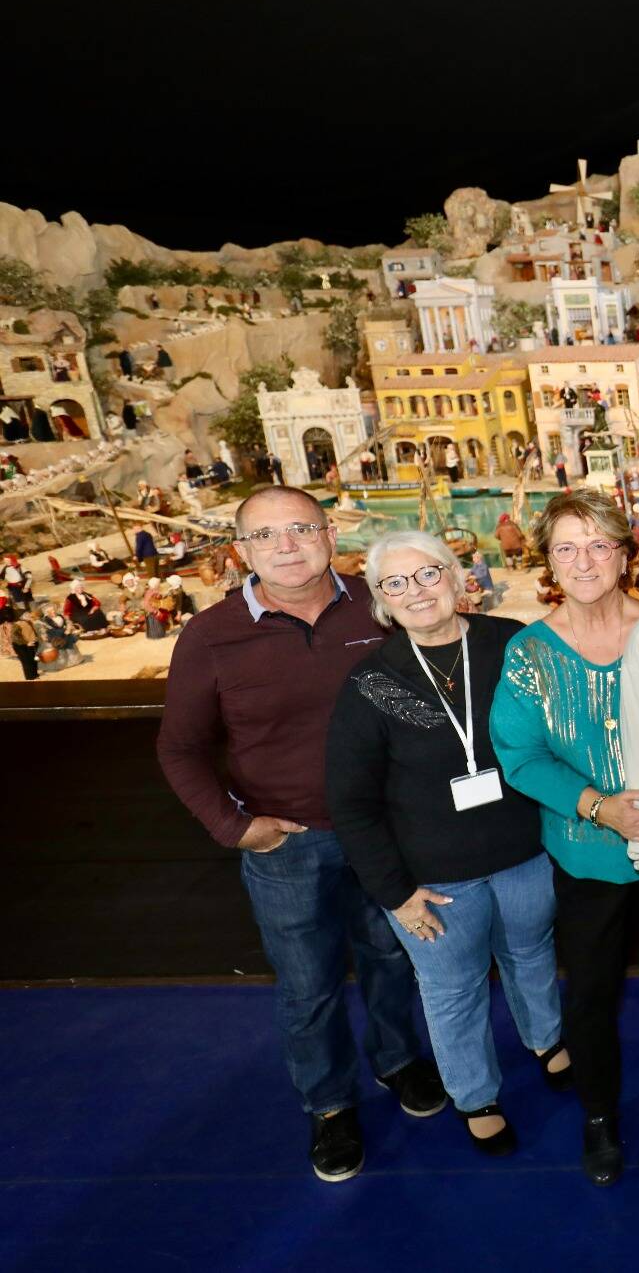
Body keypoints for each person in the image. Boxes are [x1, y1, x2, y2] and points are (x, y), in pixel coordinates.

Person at [157, 486, 443, 1183]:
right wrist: (235, 826)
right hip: (289, 845)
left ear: (328, 532)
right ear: (241, 551)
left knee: (393, 959)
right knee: (308, 984)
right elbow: (180, 749)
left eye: (299, 528)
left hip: (386, 834)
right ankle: (328, 1104)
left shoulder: (379, 607)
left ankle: (399, 1060)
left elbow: (429, 698)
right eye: (265, 535)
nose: (285, 545)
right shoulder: (211, 635)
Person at [326, 531, 571, 1158]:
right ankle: (475, 1095)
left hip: (523, 851)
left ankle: (545, 1039)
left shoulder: (511, 644)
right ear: (380, 601)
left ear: (460, 576)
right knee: (452, 989)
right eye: (395, 583)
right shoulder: (371, 682)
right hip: (432, 879)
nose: (417, 591)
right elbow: (352, 803)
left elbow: (556, 735)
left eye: (429, 573)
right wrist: (396, 893)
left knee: (531, 953)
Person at [490, 490, 639, 1188]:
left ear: (625, 553)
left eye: (599, 544)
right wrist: (601, 807)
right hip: (587, 854)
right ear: (550, 562)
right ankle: (600, 1117)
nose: (584, 559)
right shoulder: (531, 653)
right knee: (591, 994)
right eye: (568, 547)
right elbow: (522, 755)